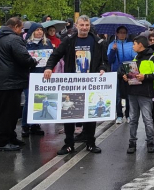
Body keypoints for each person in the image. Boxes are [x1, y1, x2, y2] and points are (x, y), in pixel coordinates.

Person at [44, 15, 109, 154]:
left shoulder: (98, 42)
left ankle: (90, 142)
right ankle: (68, 144)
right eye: (82, 25)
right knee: (69, 114)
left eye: (87, 25)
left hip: (90, 84)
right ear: (77, 26)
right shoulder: (68, 40)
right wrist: (49, 67)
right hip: (72, 83)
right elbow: (55, 55)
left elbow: (105, 61)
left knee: (90, 115)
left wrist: (103, 69)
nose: (84, 28)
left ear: (89, 26)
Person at [0, 17, 37, 151]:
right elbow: (23, 57)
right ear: (15, 26)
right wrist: (33, 61)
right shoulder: (14, 39)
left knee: (5, 111)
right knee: (8, 113)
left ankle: (10, 136)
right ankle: (2, 142)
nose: (21, 31)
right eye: (21, 28)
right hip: (10, 81)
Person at [125, 35, 154, 154]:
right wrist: (127, 77)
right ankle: (132, 142)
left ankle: (150, 142)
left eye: (134, 44)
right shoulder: (136, 57)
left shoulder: (152, 57)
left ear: (140, 45)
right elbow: (134, 74)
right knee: (133, 119)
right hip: (133, 92)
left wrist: (145, 77)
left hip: (145, 93)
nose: (133, 46)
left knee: (147, 119)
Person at [21, 23, 51, 137]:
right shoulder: (26, 44)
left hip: (42, 76)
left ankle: (35, 125)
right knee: (29, 100)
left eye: (41, 30)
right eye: (37, 30)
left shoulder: (47, 43)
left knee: (39, 100)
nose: (39, 32)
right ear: (32, 32)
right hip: (29, 76)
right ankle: (25, 125)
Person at [107, 25, 135, 125]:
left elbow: (134, 57)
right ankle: (119, 115)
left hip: (129, 71)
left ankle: (128, 115)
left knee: (128, 94)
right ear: (117, 34)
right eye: (120, 32)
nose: (122, 34)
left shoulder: (131, 44)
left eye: (124, 32)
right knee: (117, 95)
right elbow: (109, 60)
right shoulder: (112, 44)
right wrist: (113, 51)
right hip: (116, 71)